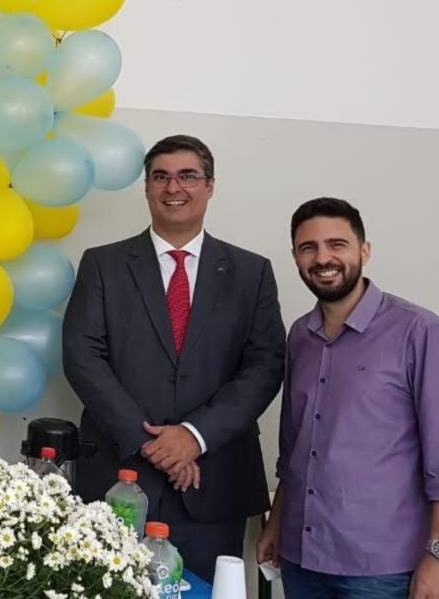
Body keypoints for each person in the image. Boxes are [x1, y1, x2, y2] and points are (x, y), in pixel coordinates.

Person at [63, 134, 285, 581]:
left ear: (210, 186)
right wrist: (151, 443)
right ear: (147, 187)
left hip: (212, 480)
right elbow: (82, 355)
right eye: (160, 177)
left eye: (188, 176)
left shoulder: (251, 272)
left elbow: (264, 366)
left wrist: (194, 437)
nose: (173, 188)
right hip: (120, 477)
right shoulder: (102, 264)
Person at [256, 198, 439, 598]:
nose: (323, 258)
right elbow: (294, 446)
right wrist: (276, 523)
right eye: (308, 247)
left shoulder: (418, 331)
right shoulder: (299, 335)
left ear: (364, 250)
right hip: (300, 557)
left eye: (336, 244)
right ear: (296, 257)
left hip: (380, 569)